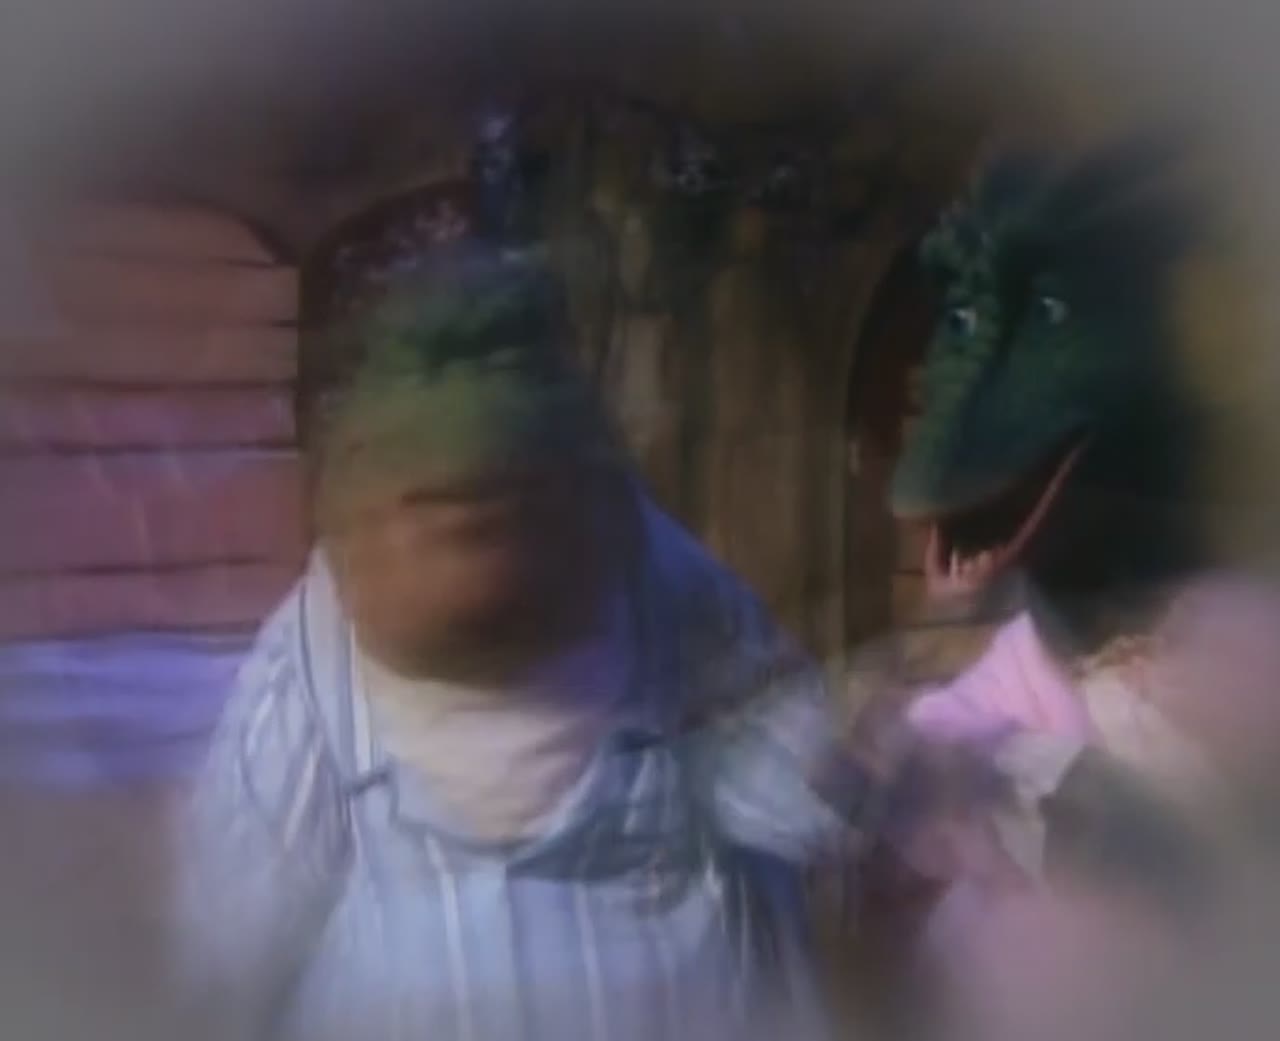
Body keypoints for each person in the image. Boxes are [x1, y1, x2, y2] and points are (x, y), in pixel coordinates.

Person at [171, 248, 885, 1041]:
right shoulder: (315, 654)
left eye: (503, 505)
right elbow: (238, 914)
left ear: (577, 488)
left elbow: (766, 755)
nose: (468, 538)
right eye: (433, 512)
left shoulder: (661, 585)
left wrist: (835, 775)